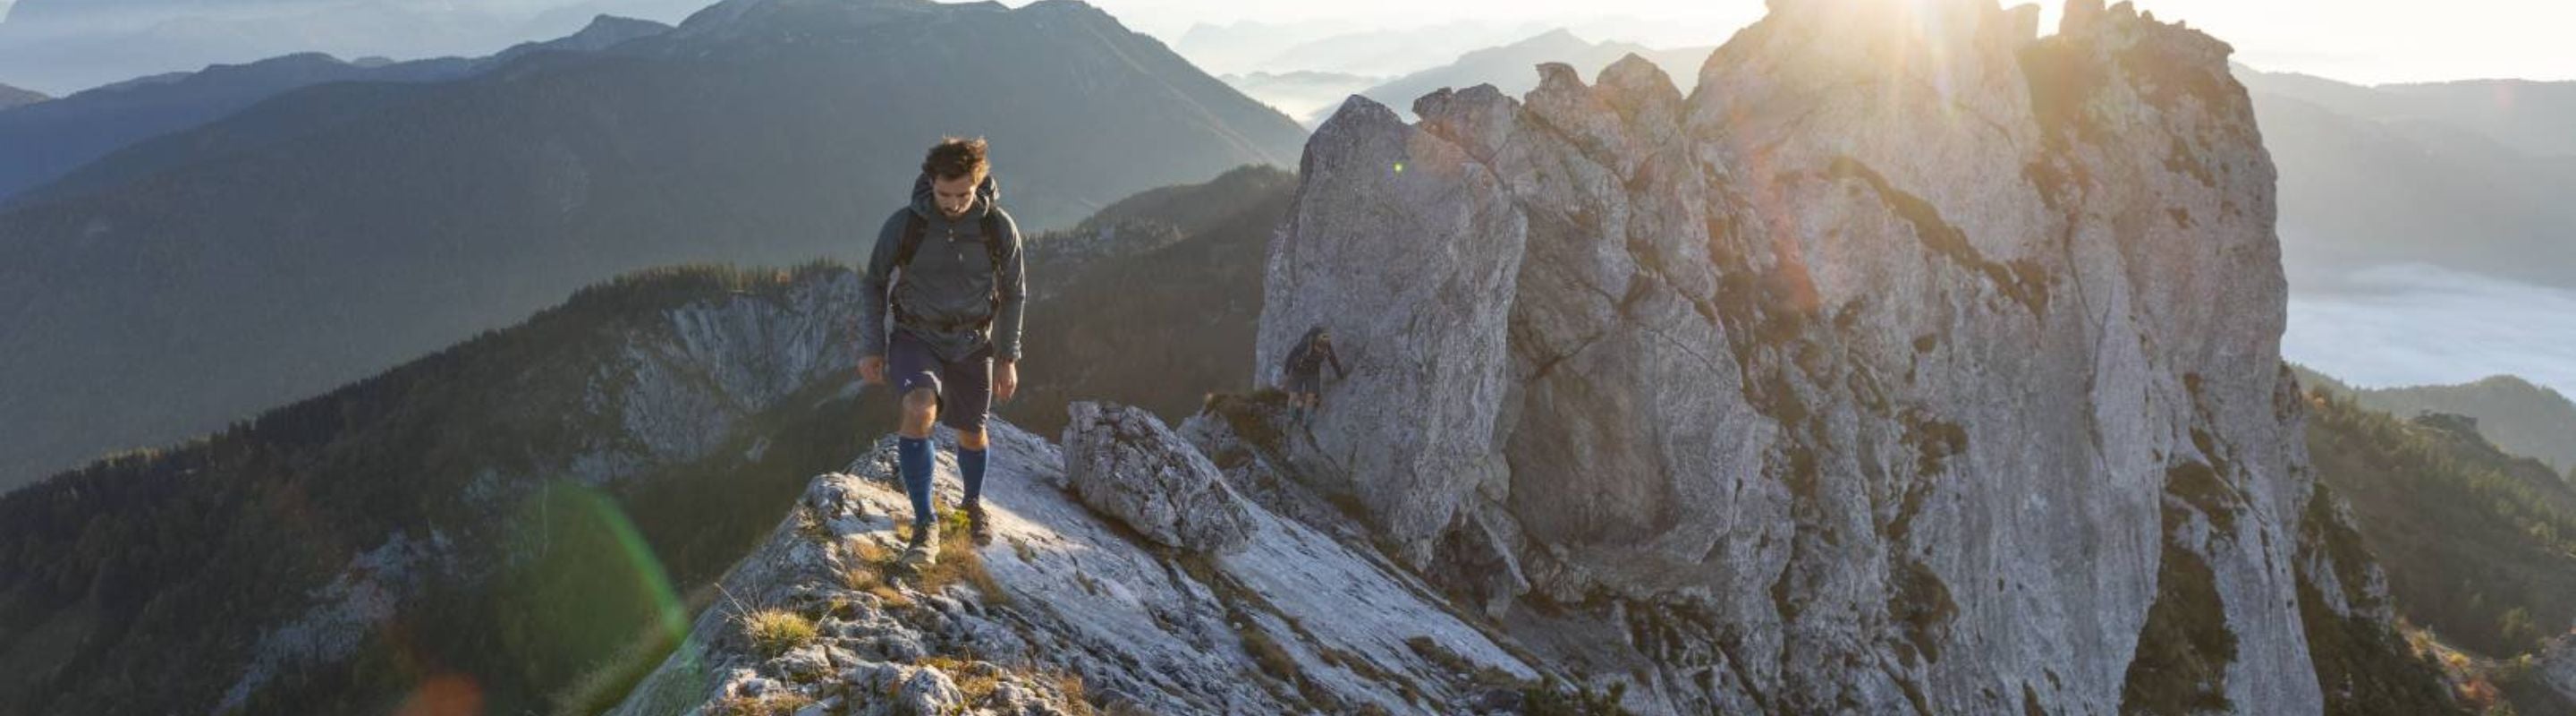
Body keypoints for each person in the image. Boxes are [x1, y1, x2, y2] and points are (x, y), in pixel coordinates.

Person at [857, 137, 1027, 567]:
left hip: (972, 341)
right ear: (930, 182)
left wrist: (1007, 358)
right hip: (916, 336)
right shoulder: (906, 224)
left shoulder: (997, 228)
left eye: (963, 195)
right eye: (944, 194)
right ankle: (924, 523)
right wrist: (873, 346)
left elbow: (1014, 293)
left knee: (972, 430)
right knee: (918, 410)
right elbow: (874, 282)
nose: (952, 204)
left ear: (979, 182)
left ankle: (971, 504)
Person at [1279, 326, 1346, 424]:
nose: (1321, 351)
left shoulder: (1327, 347)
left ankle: (1306, 421)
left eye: (1323, 349)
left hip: (1313, 372)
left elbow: (1333, 360)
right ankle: (1291, 417)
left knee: (1311, 397)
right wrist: (1286, 371)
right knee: (1294, 395)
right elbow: (1292, 354)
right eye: (1319, 348)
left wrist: (1339, 374)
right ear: (1315, 344)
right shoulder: (1305, 344)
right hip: (1298, 370)